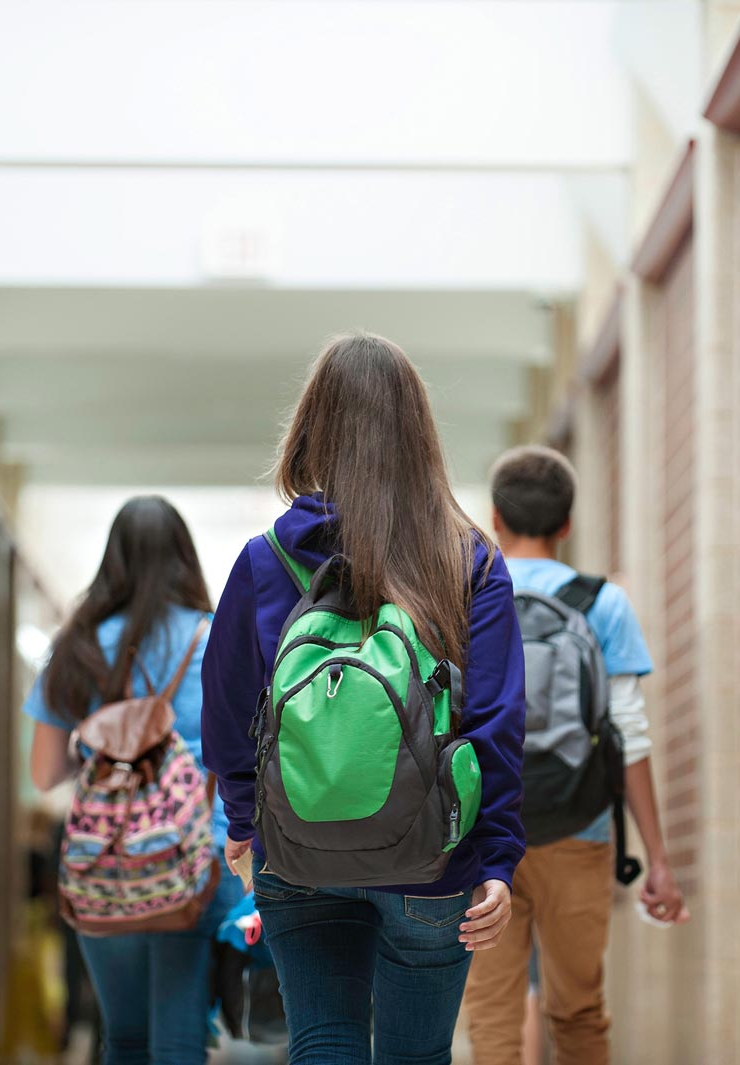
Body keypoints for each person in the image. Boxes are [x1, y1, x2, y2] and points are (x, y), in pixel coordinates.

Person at [201, 332, 527, 1065]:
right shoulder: (468, 559)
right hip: (434, 860)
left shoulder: (265, 559)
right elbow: (497, 723)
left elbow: (225, 710)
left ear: (312, 428)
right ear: (420, 436)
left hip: (296, 849)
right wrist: (498, 860)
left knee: (324, 1042)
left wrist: (247, 820)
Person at [464, 445, 688, 1065]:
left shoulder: (465, 598)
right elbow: (630, 737)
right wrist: (657, 860)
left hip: (481, 841)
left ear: (495, 518)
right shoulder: (602, 604)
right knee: (580, 1013)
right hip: (580, 830)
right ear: (567, 524)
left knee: (492, 1018)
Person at [22, 495, 242, 1065]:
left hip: (104, 857)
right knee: (179, 1033)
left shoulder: (76, 644)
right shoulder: (216, 639)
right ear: (183, 559)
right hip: (196, 854)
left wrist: (99, 746)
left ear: (112, 561)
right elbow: (245, 754)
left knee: (122, 1036)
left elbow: (44, 773)